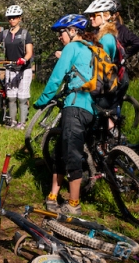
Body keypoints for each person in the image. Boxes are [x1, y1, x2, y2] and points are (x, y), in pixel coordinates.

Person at [33, 14, 96, 216]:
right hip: (91, 109)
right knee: (61, 149)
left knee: (71, 155)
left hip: (76, 108)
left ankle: (74, 203)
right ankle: (53, 195)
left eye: (61, 32)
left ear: (72, 31)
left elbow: (55, 79)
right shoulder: (93, 49)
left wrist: (40, 101)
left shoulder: (72, 48)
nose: (60, 37)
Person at [84, 0, 129, 129]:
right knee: (103, 116)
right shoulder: (101, 34)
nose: (91, 18)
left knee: (100, 116)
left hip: (112, 82)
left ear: (106, 16)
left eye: (94, 15)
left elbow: (101, 64)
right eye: (89, 16)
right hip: (111, 80)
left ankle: (114, 142)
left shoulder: (107, 38)